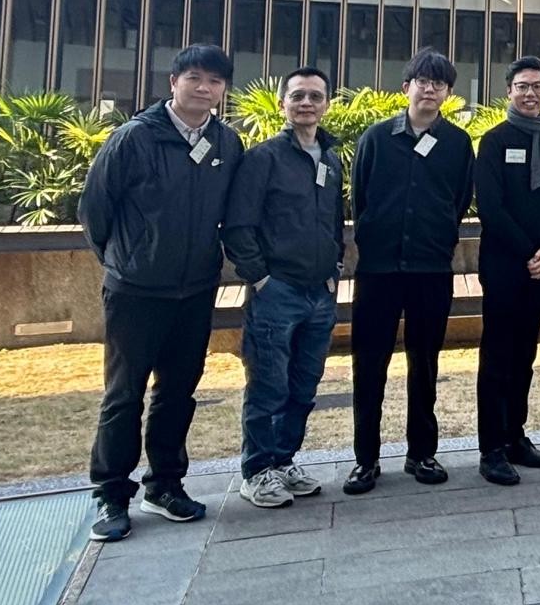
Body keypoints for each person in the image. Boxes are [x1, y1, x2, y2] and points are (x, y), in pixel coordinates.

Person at [78, 44, 245, 542]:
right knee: (123, 394)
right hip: (135, 290)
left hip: (195, 290)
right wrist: (125, 261)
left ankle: (165, 485)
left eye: (214, 81)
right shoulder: (134, 137)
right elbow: (95, 209)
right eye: (194, 77)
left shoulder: (225, 142)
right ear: (173, 82)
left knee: (177, 392)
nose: (204, 88)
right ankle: (111, 494)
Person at [343, 49, 475, 495]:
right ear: (406, 87)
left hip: (430, 269)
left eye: (439, 84)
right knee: (369, 364)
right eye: (423, 81)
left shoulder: (457, 143)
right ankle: (365, 459)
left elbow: (459, 200)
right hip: (379, 270)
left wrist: (437, 237)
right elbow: (360, 198)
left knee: (425, 363)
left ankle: (422, 452)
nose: (430, 89)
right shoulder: (376, 138)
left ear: (448, 93)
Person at [223, 67, 344, 508]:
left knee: (304, 386)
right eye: (298, 96)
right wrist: (261, 279)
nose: (306, 103)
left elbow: (334, 220)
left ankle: (283, 460)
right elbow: (239, 226)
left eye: (315, 96)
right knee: (268, 386)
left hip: (319, 293)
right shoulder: (263, 158)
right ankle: (257, 470)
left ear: (326, 103)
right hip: (277, 292)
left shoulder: (330, 159)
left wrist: (334, 267)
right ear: (283, 104)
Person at [472, 56, 540, 487]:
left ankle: (515, 436)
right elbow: (491, 208)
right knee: (497, 356)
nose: (530, 93)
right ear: (509, 91)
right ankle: (491, 448)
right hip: (504, 266)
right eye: (522, 86)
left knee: (526, 355)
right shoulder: (494, 141)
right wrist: (531, 250)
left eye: (537, 86)